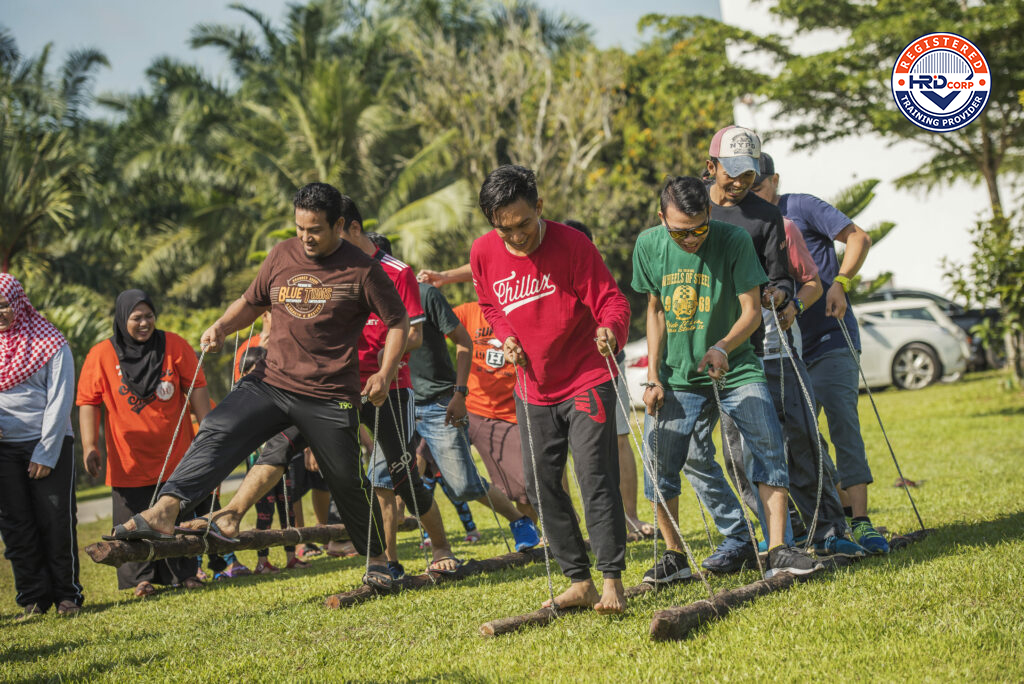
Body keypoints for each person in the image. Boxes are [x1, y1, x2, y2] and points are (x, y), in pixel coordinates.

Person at [103, 182, 405, 589]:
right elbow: (252, 301)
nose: (305, 237)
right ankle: (166, 509)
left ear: (338, 225)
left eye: (315, 229)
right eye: (299, 228)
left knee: (347, 480)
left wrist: (384, 373)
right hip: (272, 380)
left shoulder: (363, 269)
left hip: (329, 394)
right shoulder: (281, 254)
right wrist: (223, 326)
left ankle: (377, 561)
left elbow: (398, 323)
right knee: (217, 427)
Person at [632, 175, 822, 583]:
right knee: (659, 461)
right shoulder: (648, 245)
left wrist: (722, 346)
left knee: (768, 448)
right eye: (681, 232)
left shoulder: (733, 239)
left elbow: (751, 310)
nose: (693, 239)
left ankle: (777, 550)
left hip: (737, 366)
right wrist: (652, 376)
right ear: (662, 217)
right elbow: (655, 309)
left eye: (700, 227)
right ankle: (675, 557)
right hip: (678, 376)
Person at [471, 164, 631, 614]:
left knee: (594, 476)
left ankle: (612, 580)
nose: (517, 236)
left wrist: (611, 331)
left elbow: (611, 300)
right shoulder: (483, 252)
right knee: (540, 485)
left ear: (539, 207)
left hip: (586, 377)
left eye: (524, 223)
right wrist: (506, 337)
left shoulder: (572, 244)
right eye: (506, 230)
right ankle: (578, 580)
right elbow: (489, 304)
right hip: (533, 388)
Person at [712, 155, 867, 559]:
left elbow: (809, 279)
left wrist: (792, 300)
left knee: (805, 442)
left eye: (754, 181)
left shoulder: (785, 221)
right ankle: (781, 531)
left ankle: (834, 526)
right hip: (738, 359)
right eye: (738, 180)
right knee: (741, 453)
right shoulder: (707, 228)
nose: (746, 189)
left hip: (788, 351)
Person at [368, 232, 542, 553]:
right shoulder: (362, 301)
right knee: (387, 482)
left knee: (463, 485)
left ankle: (519, 520)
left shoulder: (426, 296)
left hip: (437, 403)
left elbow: (465, 342)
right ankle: (393, 559)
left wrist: (459, 394)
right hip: (395, 403)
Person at [750, 152, 888, 554]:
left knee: (843, 425)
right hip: (783, 351)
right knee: (802, 438)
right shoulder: (746, 223)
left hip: (830, 337)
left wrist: (840, 282)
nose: (750, 192)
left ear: (773, 180)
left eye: (757, 185)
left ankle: (860, 522)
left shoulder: (801, 207)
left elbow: (859, 236)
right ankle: (827, 519)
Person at [334, 225, 460, 581]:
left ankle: (440, 547)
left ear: (349, 227)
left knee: (399, 476)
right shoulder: (325, 272)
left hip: (391, 389)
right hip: (341, 389)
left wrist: (381, 363)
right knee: (364, 479)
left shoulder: (396, 271)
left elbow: (415, 336)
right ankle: (385, 561)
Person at [78, 289, 211, 597]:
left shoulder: (174, 345)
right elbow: (87, 401)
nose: (144, 323)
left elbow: (198, 387)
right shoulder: (102, 354)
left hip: (176, 455)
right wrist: (89, 445)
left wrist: (208, 432)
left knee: (180, 516)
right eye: (136, 318)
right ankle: (141, 580)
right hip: (129, 459)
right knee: (131, 521)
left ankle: (187, 573)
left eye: (149, 316)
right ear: (122, 318)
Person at [564, 219, 654, 539]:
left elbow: (616, 310)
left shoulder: (598, 272)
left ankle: (629, 517)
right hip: (563, 377)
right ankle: (571, 526)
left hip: (604, 367)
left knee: (618, 439)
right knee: (564, 452)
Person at [0, 274, 83, 620]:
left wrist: (45, 452)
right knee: (16, 526)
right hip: (4, 448)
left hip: (48, 445)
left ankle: (67, 595)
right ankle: (33, 598)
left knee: (55, 520)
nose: (0, 312)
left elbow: (61, 399)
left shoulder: (50, 342)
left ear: (17, 301)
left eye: (4, 304)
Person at [452, 299, 537, 524]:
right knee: (419, 462)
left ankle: (533, 531)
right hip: (468, 408)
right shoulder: (467, 311)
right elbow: (428, 328)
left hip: (509, 416)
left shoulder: (522, 310)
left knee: (526, 489)